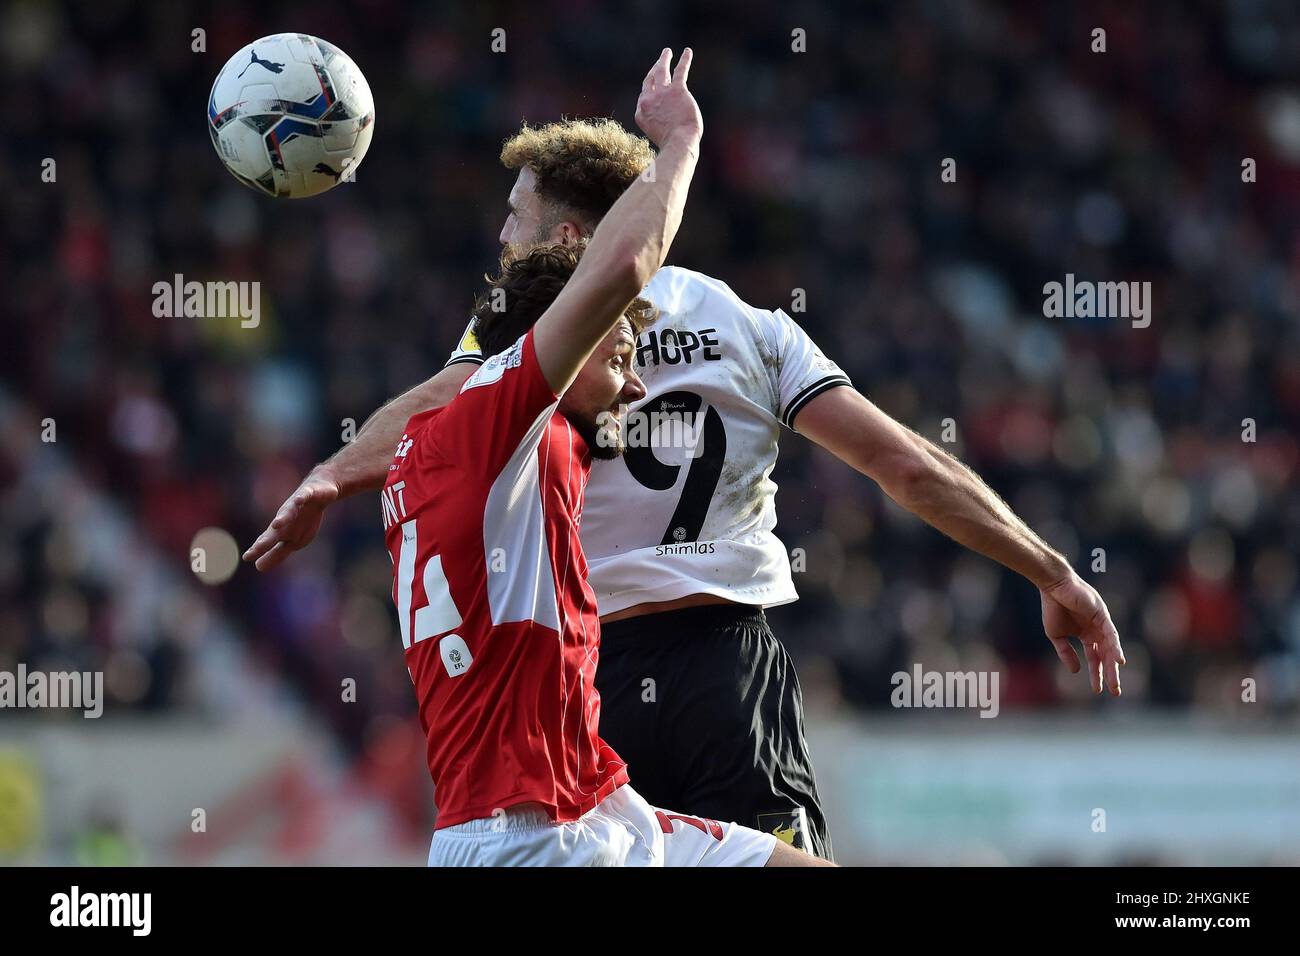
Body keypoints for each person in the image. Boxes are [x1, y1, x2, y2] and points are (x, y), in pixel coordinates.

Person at [245, 61, 1126, 866]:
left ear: (565, 232)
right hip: (714, 677)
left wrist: (331, 474)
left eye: (515, 220)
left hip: (586, 690)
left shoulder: (519, 347)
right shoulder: (751, 326)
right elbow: (909, 468)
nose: (502, 241)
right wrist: (1047, 569)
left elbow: (430, 406)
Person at [378, 48, 823, 866]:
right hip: (527, 834)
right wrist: (680, 145)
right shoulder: (502, 418)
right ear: (555, 342)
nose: (631, 390)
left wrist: (330, 475)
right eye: (620, 359)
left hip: (595, 800)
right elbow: (621, 262)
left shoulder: (443, 443)